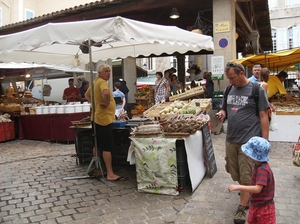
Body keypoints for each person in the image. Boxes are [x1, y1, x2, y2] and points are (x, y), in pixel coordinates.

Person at [215, 62, 269, 224]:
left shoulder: (256, 89)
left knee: (246, 175)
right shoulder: (229, 89)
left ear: (241, 74)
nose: (230, 81)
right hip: (231, 139)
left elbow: (263, 116)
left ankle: (242, 207)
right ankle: (249, 193)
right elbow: (225, 108)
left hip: (249, 142)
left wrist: (264, 141)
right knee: (234, 172)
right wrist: (221, 113)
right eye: (228, 78)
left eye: (232, 78)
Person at [85, 64, 128, 181]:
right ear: (100, 73)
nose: (108, 73)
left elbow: (87, 94)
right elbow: (106, 93)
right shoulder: (102, 82)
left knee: (96, 144)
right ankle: (110, 173)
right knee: (106, 146)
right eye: (106, 71)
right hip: (104, 119)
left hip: (96, 117)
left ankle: (98, 168)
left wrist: (93, 104)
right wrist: (106, 103)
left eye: (109, 71)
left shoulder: (95, 82)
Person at [228, 136, 276, 224]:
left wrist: (238, 187)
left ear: (255, 156)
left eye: (248, 154)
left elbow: (258, 189)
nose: (246, 156)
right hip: (256, 203)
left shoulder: (263, 170)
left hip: (264, 207)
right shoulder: (258, 166)